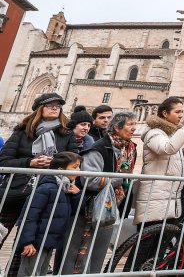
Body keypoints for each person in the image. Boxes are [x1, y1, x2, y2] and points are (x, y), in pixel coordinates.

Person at [64, 111, 136, 275]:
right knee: (77, 254)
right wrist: (120, 179)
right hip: (90, 208)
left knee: (98, 254)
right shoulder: (98, 149)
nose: (134, 128)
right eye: (130, 124)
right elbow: (91, 180)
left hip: (111, 208)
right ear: (117, 128)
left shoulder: (129, 149)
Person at [0, 92, 73, 234]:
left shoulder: (66, 134)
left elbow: (74, 163)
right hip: (17, 190)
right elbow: (4, 161)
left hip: (48, 193)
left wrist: (54, 162)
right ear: (40, 109)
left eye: (58, 106)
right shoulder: (22, 132)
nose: (55, 108)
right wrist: (30, 162)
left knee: (29, 241)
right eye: (50, 105)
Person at [136, 96, 184, 225]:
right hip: (155, 197)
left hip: (167, 197)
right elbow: (167, 149)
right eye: (177, 112)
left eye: (182, 112)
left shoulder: (171, 134)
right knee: (149, 241)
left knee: (162, 240)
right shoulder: (155, 132)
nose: (181, 116)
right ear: (165, 113)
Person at [17, 151, 82, 277]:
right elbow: (30, 216)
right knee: (30, 272)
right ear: (60, 169)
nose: (79, 170)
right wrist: (28, 242)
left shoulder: (65, 188)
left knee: (41, 272)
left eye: (79, 166)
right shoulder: (46, 188)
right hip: (36, 242)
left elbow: (75, 210)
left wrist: (77, 195)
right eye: (74, 167)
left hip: (49, 241)